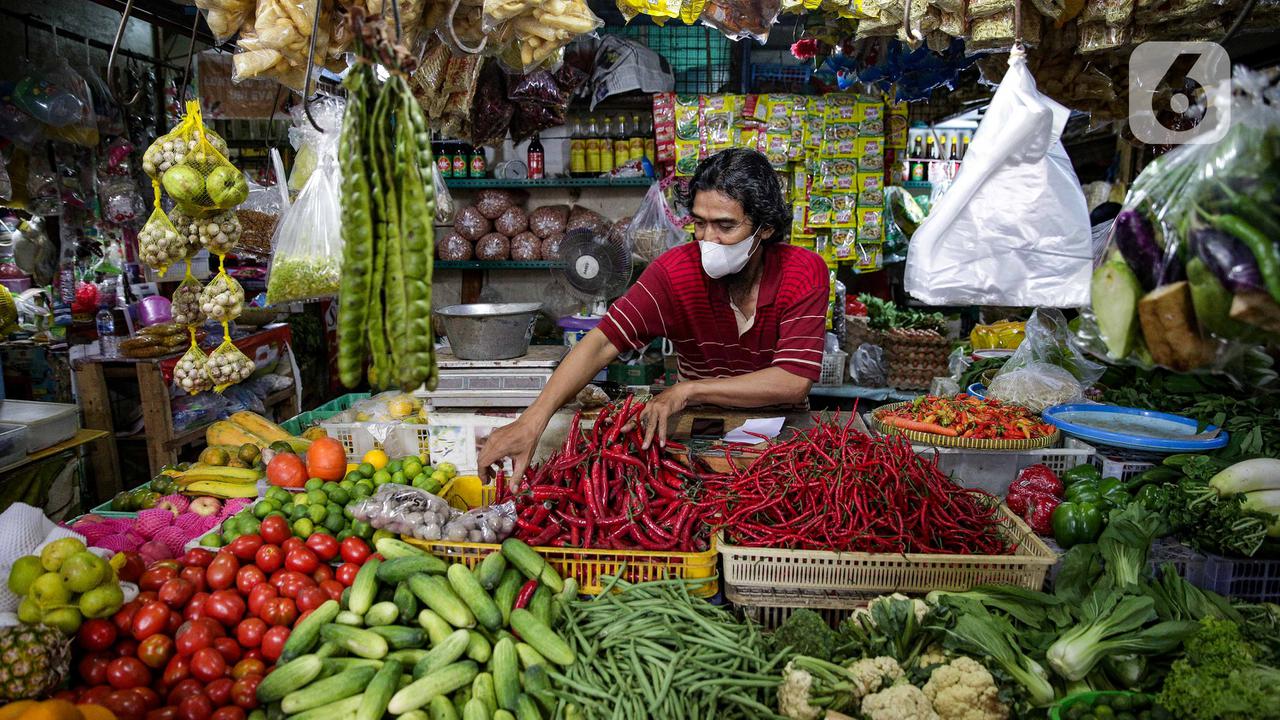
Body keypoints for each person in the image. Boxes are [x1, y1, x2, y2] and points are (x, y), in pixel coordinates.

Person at [477, 148, 831, 484]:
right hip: (702, 425)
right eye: (700, 223)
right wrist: (532, 420)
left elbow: (793, 379)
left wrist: (688, 390)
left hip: (783, 426)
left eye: (725, 226)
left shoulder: (802, 271)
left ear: (764, 227)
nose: (709, 239)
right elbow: (601, 342)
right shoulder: (675, 272)